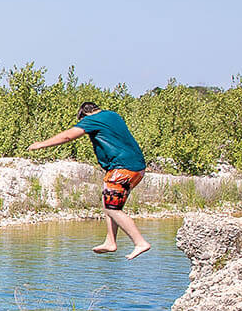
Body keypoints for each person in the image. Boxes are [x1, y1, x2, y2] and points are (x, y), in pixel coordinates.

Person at [28, 100, 152, 258]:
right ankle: (110, 241)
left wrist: (40, 144)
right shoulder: (112, 115)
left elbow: (67, 136)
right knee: (108, 202)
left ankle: (139, 242)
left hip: (122, 168)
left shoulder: (92, 119)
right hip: (137, 167)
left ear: (84, 114)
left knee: (112, 209)